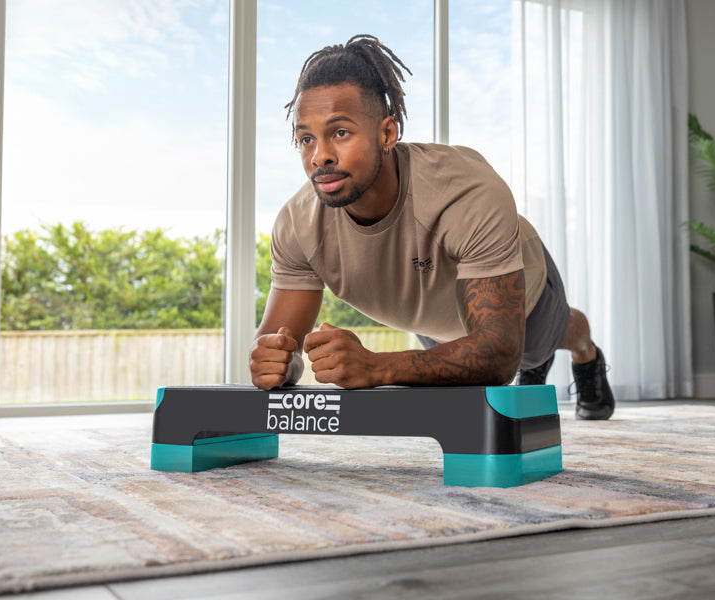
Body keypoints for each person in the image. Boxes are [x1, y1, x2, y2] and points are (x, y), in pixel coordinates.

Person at [249, 34, 614, 420]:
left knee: (538, 347)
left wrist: (375, 367)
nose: (319, 156)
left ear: (387, 133)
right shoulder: (297, 225)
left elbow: (500, 354)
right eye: (306, 138)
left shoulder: (465, 191)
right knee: (465, 366)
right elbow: (276, 350)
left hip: (525, 299)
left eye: (340, 133)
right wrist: (276, 364)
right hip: (437, 326)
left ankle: (585, 352)